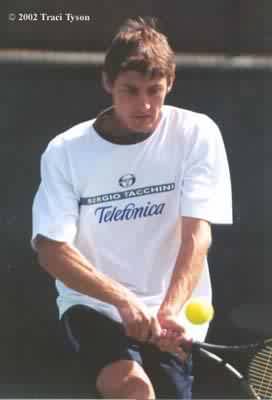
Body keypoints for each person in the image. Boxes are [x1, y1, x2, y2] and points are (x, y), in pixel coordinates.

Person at [31, 17, 232, 399]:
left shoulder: (197, 134)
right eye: (131, 90)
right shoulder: (65, 151)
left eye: (155, 91)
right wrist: (123, 300)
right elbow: (51, 251)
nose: (144, 104)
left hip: (172, 315)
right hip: (94, 307)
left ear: (170, 84)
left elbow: (197, 234)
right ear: (108, 83)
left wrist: (170, 309)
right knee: (133, 391)